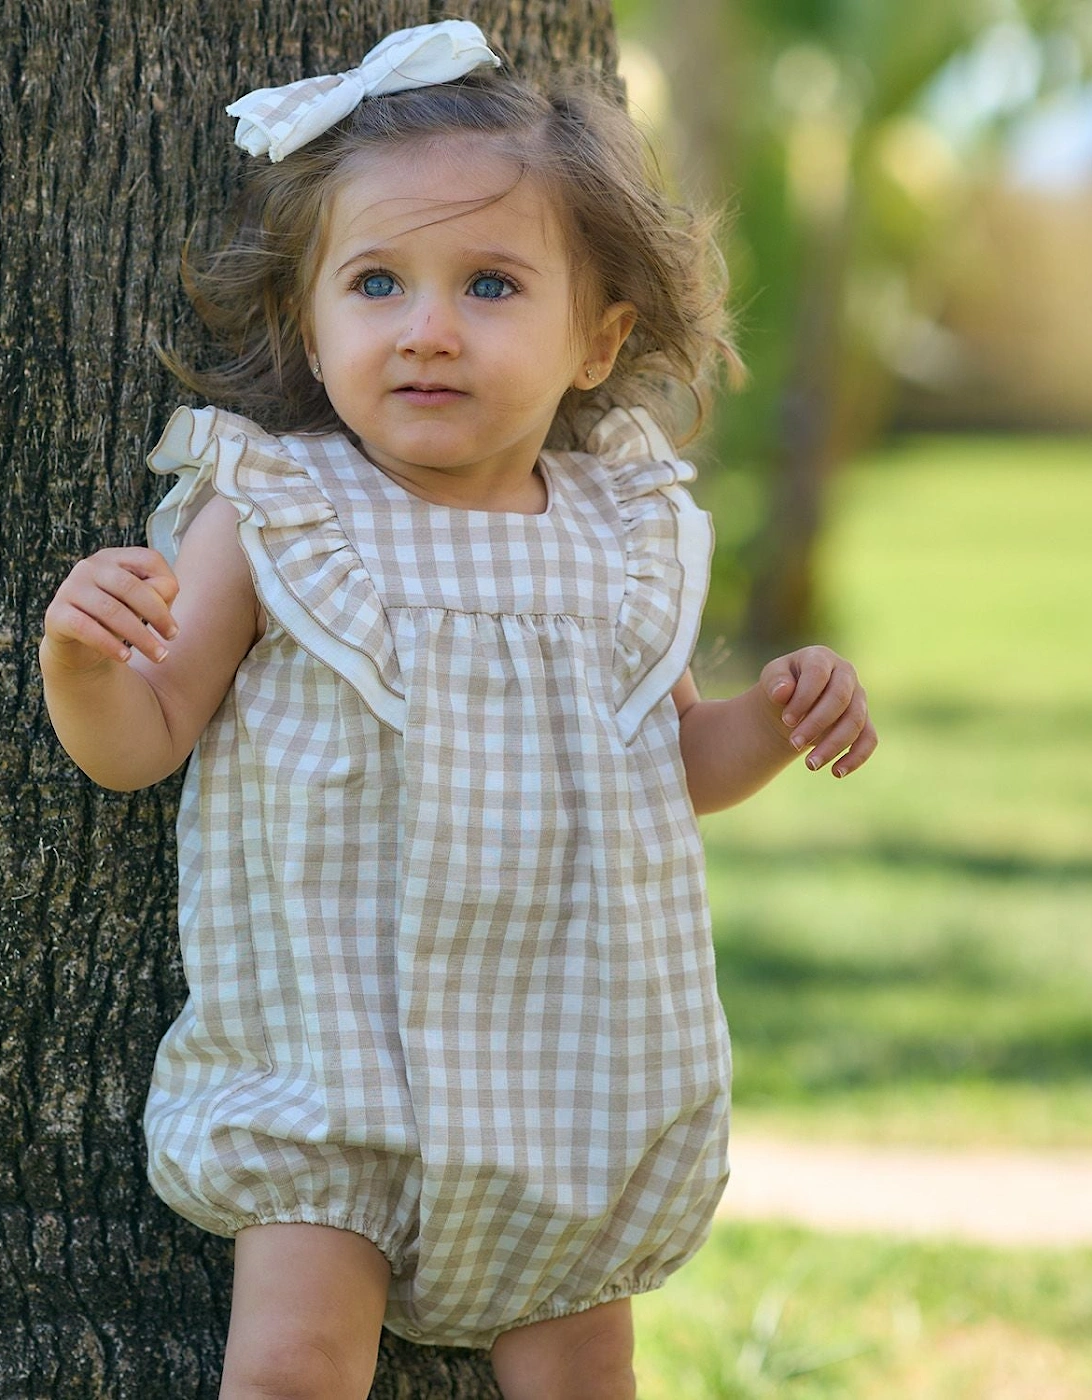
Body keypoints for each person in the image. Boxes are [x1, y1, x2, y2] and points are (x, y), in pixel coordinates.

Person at [39, 20, 876, 1400]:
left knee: (582, 1375)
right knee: (298, 1363)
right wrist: (86, 665)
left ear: (598, 341)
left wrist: (776, 721)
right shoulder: (277, 516)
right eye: (377, 283)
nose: (428, 328)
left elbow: (673, 761)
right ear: (313, 321)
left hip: (566, 1071)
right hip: (334, 1070)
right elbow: (144, 739)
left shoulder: (619, 536)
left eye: (491, 284)